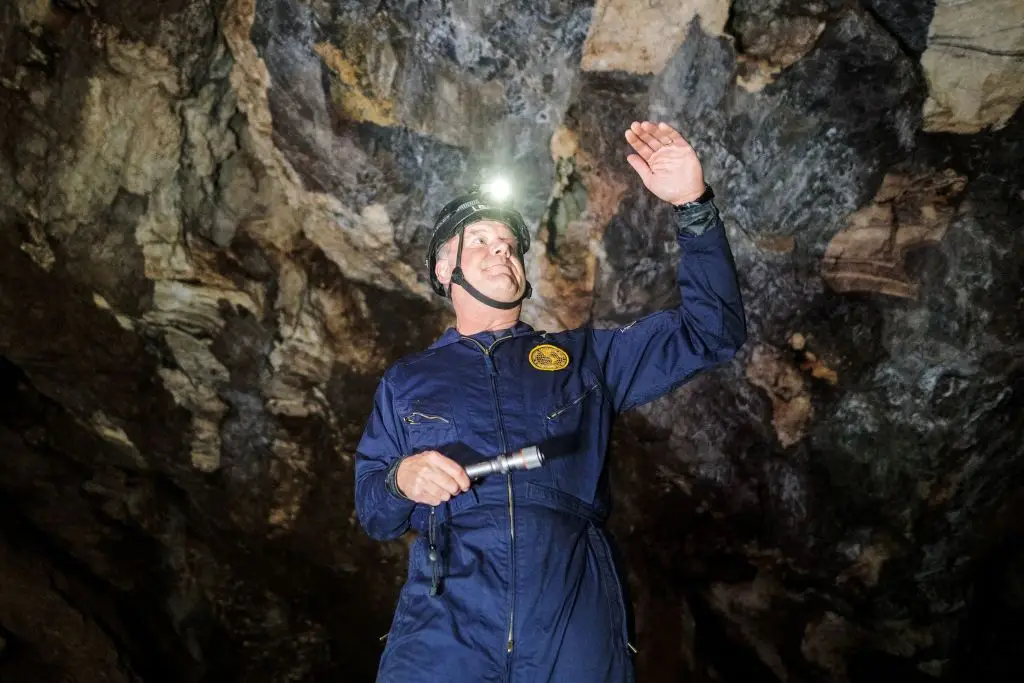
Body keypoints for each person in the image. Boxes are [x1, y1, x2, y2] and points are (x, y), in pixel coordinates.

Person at [354, 121, 746, 683]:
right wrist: (400, 480)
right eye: (483, 240)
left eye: (510, 245)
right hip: (447, 616)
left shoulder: (584, 358)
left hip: (572, 601)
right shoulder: (407, 381)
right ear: (445, 270)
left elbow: (713, 332)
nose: (502, 252)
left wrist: (694, 206)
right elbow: (374, 512)